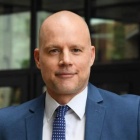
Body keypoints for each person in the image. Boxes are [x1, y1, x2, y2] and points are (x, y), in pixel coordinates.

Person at [0, 10, 140, 140]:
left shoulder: (133, 115)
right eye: (54, 50)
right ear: (38, 59)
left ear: (91, 56)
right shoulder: (6, 125)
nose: (66, 60)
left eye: (76, 50)